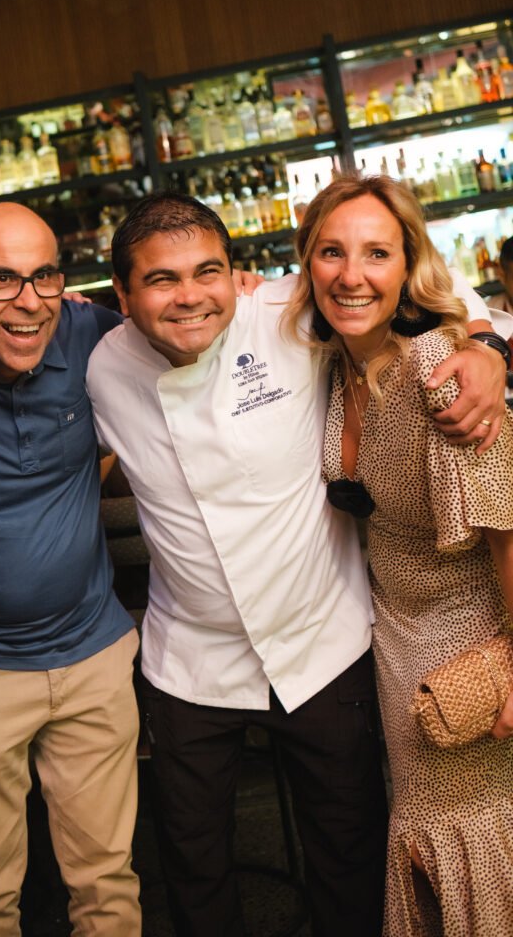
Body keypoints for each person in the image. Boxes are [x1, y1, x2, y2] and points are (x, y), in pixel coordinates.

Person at [84, 191, 508, 937]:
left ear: (236, 272)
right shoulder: (98, 368)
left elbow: (413, 284)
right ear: (121, 295)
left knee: (349, 853)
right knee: (193, 864)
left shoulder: (286, 308)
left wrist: (488, 349)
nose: (190, 296)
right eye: (160, 280)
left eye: (207, 272)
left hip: (323, 644)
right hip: (192, 663)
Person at [284, 173, 513, 936]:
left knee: (476, 846)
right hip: (397, 649)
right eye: (331, 252)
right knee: (428, 853)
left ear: (407, 265)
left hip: (471, 645)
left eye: (376, 254)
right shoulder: (337, 365)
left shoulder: (439, 369)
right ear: (306, 263)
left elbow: (508, 522)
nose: (352, 275)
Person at [0, 201, 141, 937]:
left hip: (93, 655)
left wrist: (470, 340)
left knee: (107, 882)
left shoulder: (91, 335)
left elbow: (196, 317)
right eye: (2, 279)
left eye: (44, 275)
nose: (29, 301)